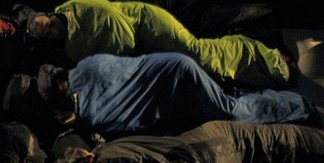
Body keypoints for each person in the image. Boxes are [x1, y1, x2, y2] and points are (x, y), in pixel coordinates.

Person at [27, 0, 290, 88]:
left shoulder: (81, 8)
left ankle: (262, 54)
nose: (54, 32)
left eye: (50, 26)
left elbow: (124, 40)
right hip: (144, 46)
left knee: (201, 55)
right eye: (48, 35)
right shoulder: (70, 46)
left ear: (51, 16)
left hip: (150, 27)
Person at [34, 53, 310, 136]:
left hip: (177, 82)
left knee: (232, 112)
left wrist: (76, 119)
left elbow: (116, 117)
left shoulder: (89, 111)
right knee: (229, 106)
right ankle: (278, 99)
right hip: (173, 68)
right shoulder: (85, 65)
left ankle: (297, 105)